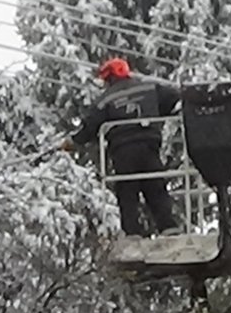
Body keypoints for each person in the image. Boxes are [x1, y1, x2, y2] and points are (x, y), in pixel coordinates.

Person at [62, 57, 182, 237]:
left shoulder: (106, 98)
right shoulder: (148, 87)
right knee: (155, 185)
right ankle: (168, 227)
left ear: (109, 78)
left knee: (127, 191)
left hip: (123, 150)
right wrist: (157, 114)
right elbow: (173, 97)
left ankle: (132, 233)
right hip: (149, 145)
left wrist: (73, 142)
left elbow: (90, 126)